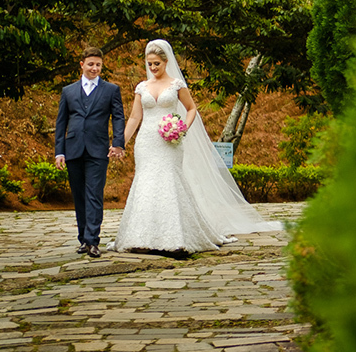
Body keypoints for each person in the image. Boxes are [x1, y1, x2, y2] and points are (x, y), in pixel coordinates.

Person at [111, 39, 281, 254]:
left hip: (169, 141)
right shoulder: (142, 87)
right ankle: (141, 235)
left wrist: (181, 128)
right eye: (150, 64)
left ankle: (175, 236)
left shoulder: (176, 85)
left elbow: (191, 109)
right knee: (145, 183)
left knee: (169, 181)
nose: (153, 68)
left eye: (157, 64)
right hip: (146, 142)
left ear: (166, 62)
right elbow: (135, 117)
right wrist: (120, 143)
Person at [54, 47, 126, 258]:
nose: (95, 68)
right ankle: (83, 240)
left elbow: (118, 117)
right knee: (79, 197)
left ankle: (93, 240)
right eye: (91, 64)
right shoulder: (68, 91)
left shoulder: (111, 90)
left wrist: (118, 142)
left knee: (94, 194)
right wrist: (60, 151)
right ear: (82, 64)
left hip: (98, 150)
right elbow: (61, 123)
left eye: (98, 65)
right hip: (73, 148)